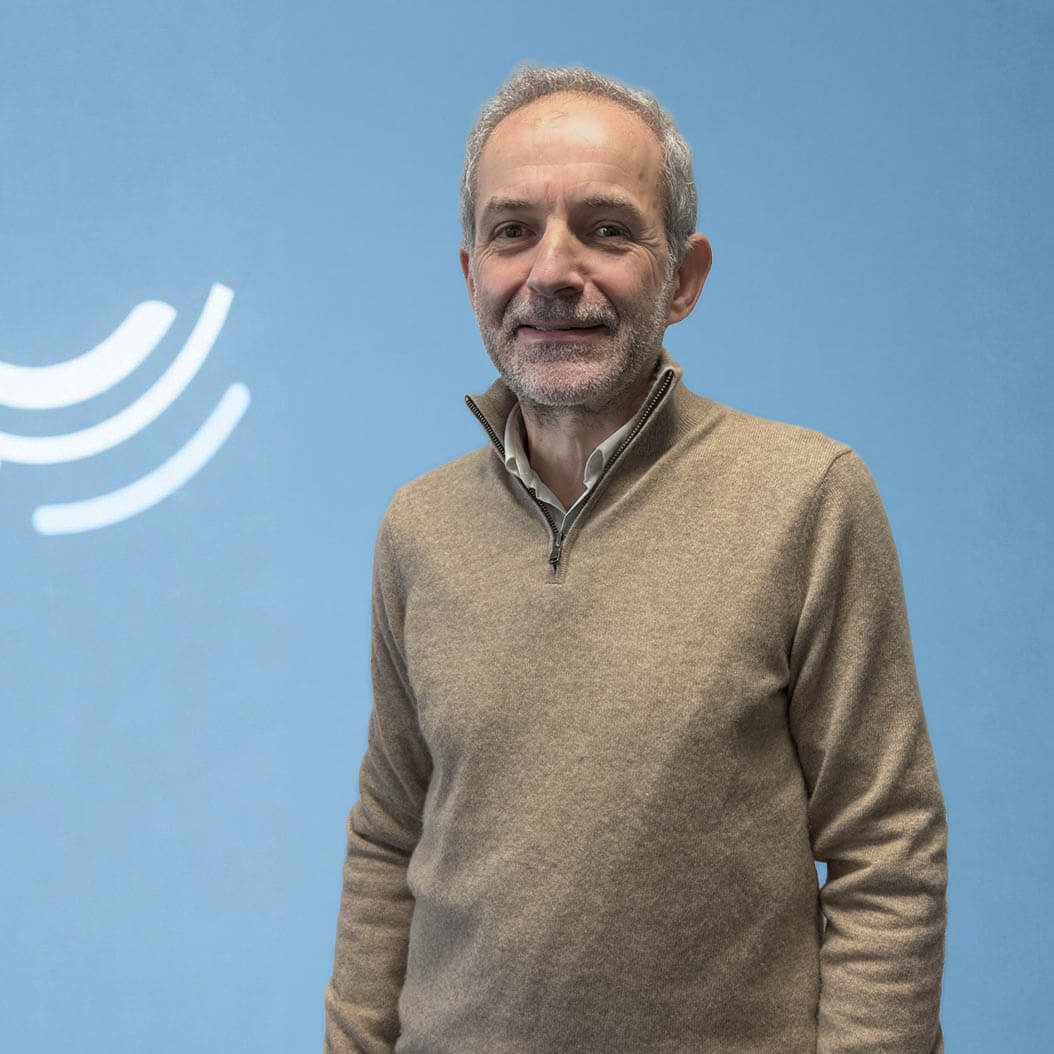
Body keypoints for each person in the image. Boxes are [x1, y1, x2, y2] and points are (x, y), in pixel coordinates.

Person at [324, 65, 947, 1053]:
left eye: (607, 230)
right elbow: (389, 834)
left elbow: (887, 850)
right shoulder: (419, 526)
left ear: (684, 278)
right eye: (512, 230)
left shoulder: (808, 497)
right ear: (470, 273)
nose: (551, 271)